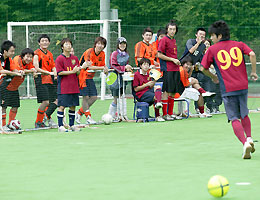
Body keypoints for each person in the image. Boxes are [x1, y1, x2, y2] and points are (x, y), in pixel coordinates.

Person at [201, 20, 258, 159]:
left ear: (219, 36)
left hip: (228, 88)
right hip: (243, 86)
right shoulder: (238, 44)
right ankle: (249, 137)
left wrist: (214, 77)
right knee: (244, 114)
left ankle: (244, 143)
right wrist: (253, 72)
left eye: (212, 36)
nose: (211, 38)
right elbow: (252, 54)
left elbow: (203, 68)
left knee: (233, 118)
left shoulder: (212, 50)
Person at [76, 36, 108, 124]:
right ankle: (88, 117)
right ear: (95, 44)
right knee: (85, 97)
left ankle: (79, 113)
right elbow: (88, 66)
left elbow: (103, 66)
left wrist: (105, 70)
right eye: (98, 44)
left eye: (102, 44)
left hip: (90, 77)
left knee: (94, 97)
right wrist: (102, 68)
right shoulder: (89, 52)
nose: (100, 46)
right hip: (82, 76)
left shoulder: (102, 54)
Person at [55, 38, 85, 132]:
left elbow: (77, 73)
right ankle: (60, 126)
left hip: (74, 86)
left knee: (73, 106)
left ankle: (72, 125)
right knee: (62, 106)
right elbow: (59, 72)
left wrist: (80, 69)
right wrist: (72, 71)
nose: (69, 46)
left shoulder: (74, 58)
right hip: (64, 87)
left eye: (70, 44)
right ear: (62, 47)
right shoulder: (59, 58)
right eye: (66, 44)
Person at [3, 48, 37, 130]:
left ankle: (10, 125)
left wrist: (32, 70)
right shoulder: (17, 59)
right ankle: (3, 125)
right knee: (3, 107)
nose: (29, 59)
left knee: (15, 106)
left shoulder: (29, 63)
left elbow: (32, 69)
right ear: (22, 56)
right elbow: (18, 71)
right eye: (27, 57)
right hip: (6, 87)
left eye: (30, 57)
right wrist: (29, 71)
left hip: (14, 88)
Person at [157, 20, 182, 121]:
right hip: (167, 69)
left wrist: (177, 61)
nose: (172, 31)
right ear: (167, 30)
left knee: (172, 92)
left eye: (174, 29)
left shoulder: (174, 40)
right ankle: (165, 114)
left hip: (175, 68)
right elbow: (159, 54)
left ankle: (170, 114)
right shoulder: (164, 40)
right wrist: (172, 60)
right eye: (170, 29)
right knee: (166, 91)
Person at [33, 34, 58, 128]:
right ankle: (38, 121)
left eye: (46, 40)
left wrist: (54, 73)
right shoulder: (36, 54)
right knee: (46, 102)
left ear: (49, 42)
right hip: (41, 80)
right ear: (39, 43)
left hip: (50, 80)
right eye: (42, 41)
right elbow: (36, 67)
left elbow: (53, 66)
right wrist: (48, 72)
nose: (45, 42)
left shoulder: (50, 54)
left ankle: (46, 117)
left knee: (55, 101)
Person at [108, 37, 133, 121]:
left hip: (122, 77)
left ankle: (122, 114)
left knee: (122, 95)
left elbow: (127, 64)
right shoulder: (114, 54)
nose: (122, 45)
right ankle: (111, 115)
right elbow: (113, 65)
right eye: (121, 44)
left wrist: (128, 69)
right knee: (116, 97)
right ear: (118, 45)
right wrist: (124, 68)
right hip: (114, 77)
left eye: (124, 44)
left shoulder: (127, 54)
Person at [0, 40, 23, 131]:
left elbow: (14, 70)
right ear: (5, 51)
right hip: (2, 85)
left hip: (5, 84)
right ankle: (3, 125)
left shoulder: (9, 59)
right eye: (11, 51)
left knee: (11, 105)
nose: (13, 53)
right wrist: (14, 74)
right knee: (3, 106)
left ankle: (8, 125)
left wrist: (19, 72)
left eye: (14, 51)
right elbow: (1, 71)